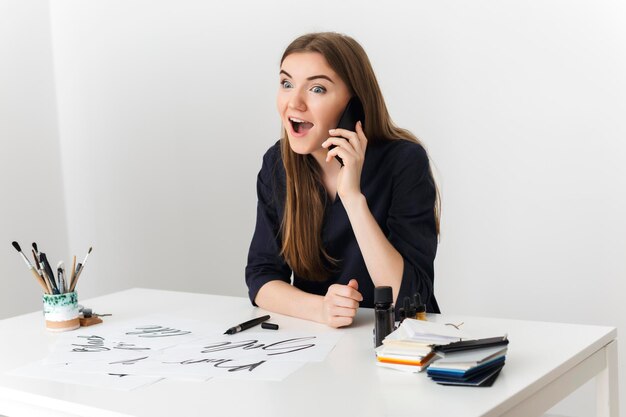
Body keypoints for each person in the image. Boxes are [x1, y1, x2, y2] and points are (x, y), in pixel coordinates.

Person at [245, 32, 441, 328]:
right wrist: (320, 309)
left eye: (317, 89)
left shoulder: (404, 161)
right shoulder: (278, 163)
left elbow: (409, 297)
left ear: (354, 104)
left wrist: (352, 196)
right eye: (286, 84)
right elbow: (262, 278)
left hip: (403, 342)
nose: (294, 103)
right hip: (316, 342)